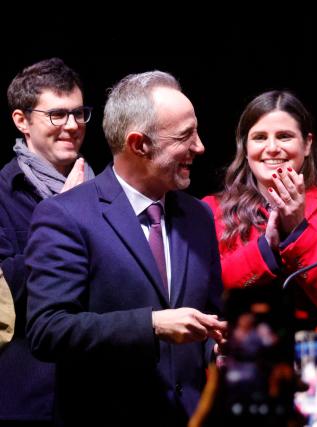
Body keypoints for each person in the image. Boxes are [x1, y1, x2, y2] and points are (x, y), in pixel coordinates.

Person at [25, 71, 226, 426]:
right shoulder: (65, 215)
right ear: (139, 144)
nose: (199, 146)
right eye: (185, 136)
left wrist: (218, 350)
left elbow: (209, 319)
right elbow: (48, 330)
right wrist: (150, 325)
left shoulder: (198, 216)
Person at [202, 90, 317, 317]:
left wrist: (297, 232)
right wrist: (265, 247)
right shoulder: (209, 210)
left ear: (307, 144)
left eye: (284, 136)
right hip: (240, 348)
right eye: (259, 137)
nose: (271, 148)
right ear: (245, 147)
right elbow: (206, 293)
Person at [0, 58, 93, 425]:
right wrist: (59, 217)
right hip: (29, 396)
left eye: (79, 113)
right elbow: (8, 288)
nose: (72, 126)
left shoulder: (103, 188)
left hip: (97, 392)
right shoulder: (2, 194)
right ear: (21, 121)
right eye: (57, 115)